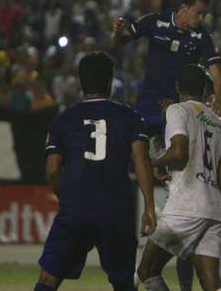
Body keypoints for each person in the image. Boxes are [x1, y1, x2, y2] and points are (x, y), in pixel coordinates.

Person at [34, 51, 156, 291]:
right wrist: (150, 206)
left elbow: (52, 170)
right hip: (116, 209)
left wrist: (68, 197)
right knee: (123, 282)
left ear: (81, 82)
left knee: (48, 278)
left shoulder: (64, 119)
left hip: (75, 208)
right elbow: (141, 161)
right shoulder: (129, 116)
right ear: (110, 82)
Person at [136, 64, 221, 291]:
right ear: (205, 89)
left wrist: (152, 161)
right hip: (213, 207)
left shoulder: (177, 110)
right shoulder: (220, 123)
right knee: (211, 283)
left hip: (185, 206)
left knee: (146, 271)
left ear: (177, 86)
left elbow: (179, 152)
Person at [111, 0, 221, 137]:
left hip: (181, 104)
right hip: (150, 99)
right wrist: (117, 32)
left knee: (174, 150)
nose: (201, 19)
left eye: (205, 14)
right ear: (184, 7)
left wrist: (218, 97)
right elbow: (120, 41)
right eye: (199, 13)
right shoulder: (154, 21)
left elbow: (216, 71)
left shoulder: (203, 37)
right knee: (138, 142)